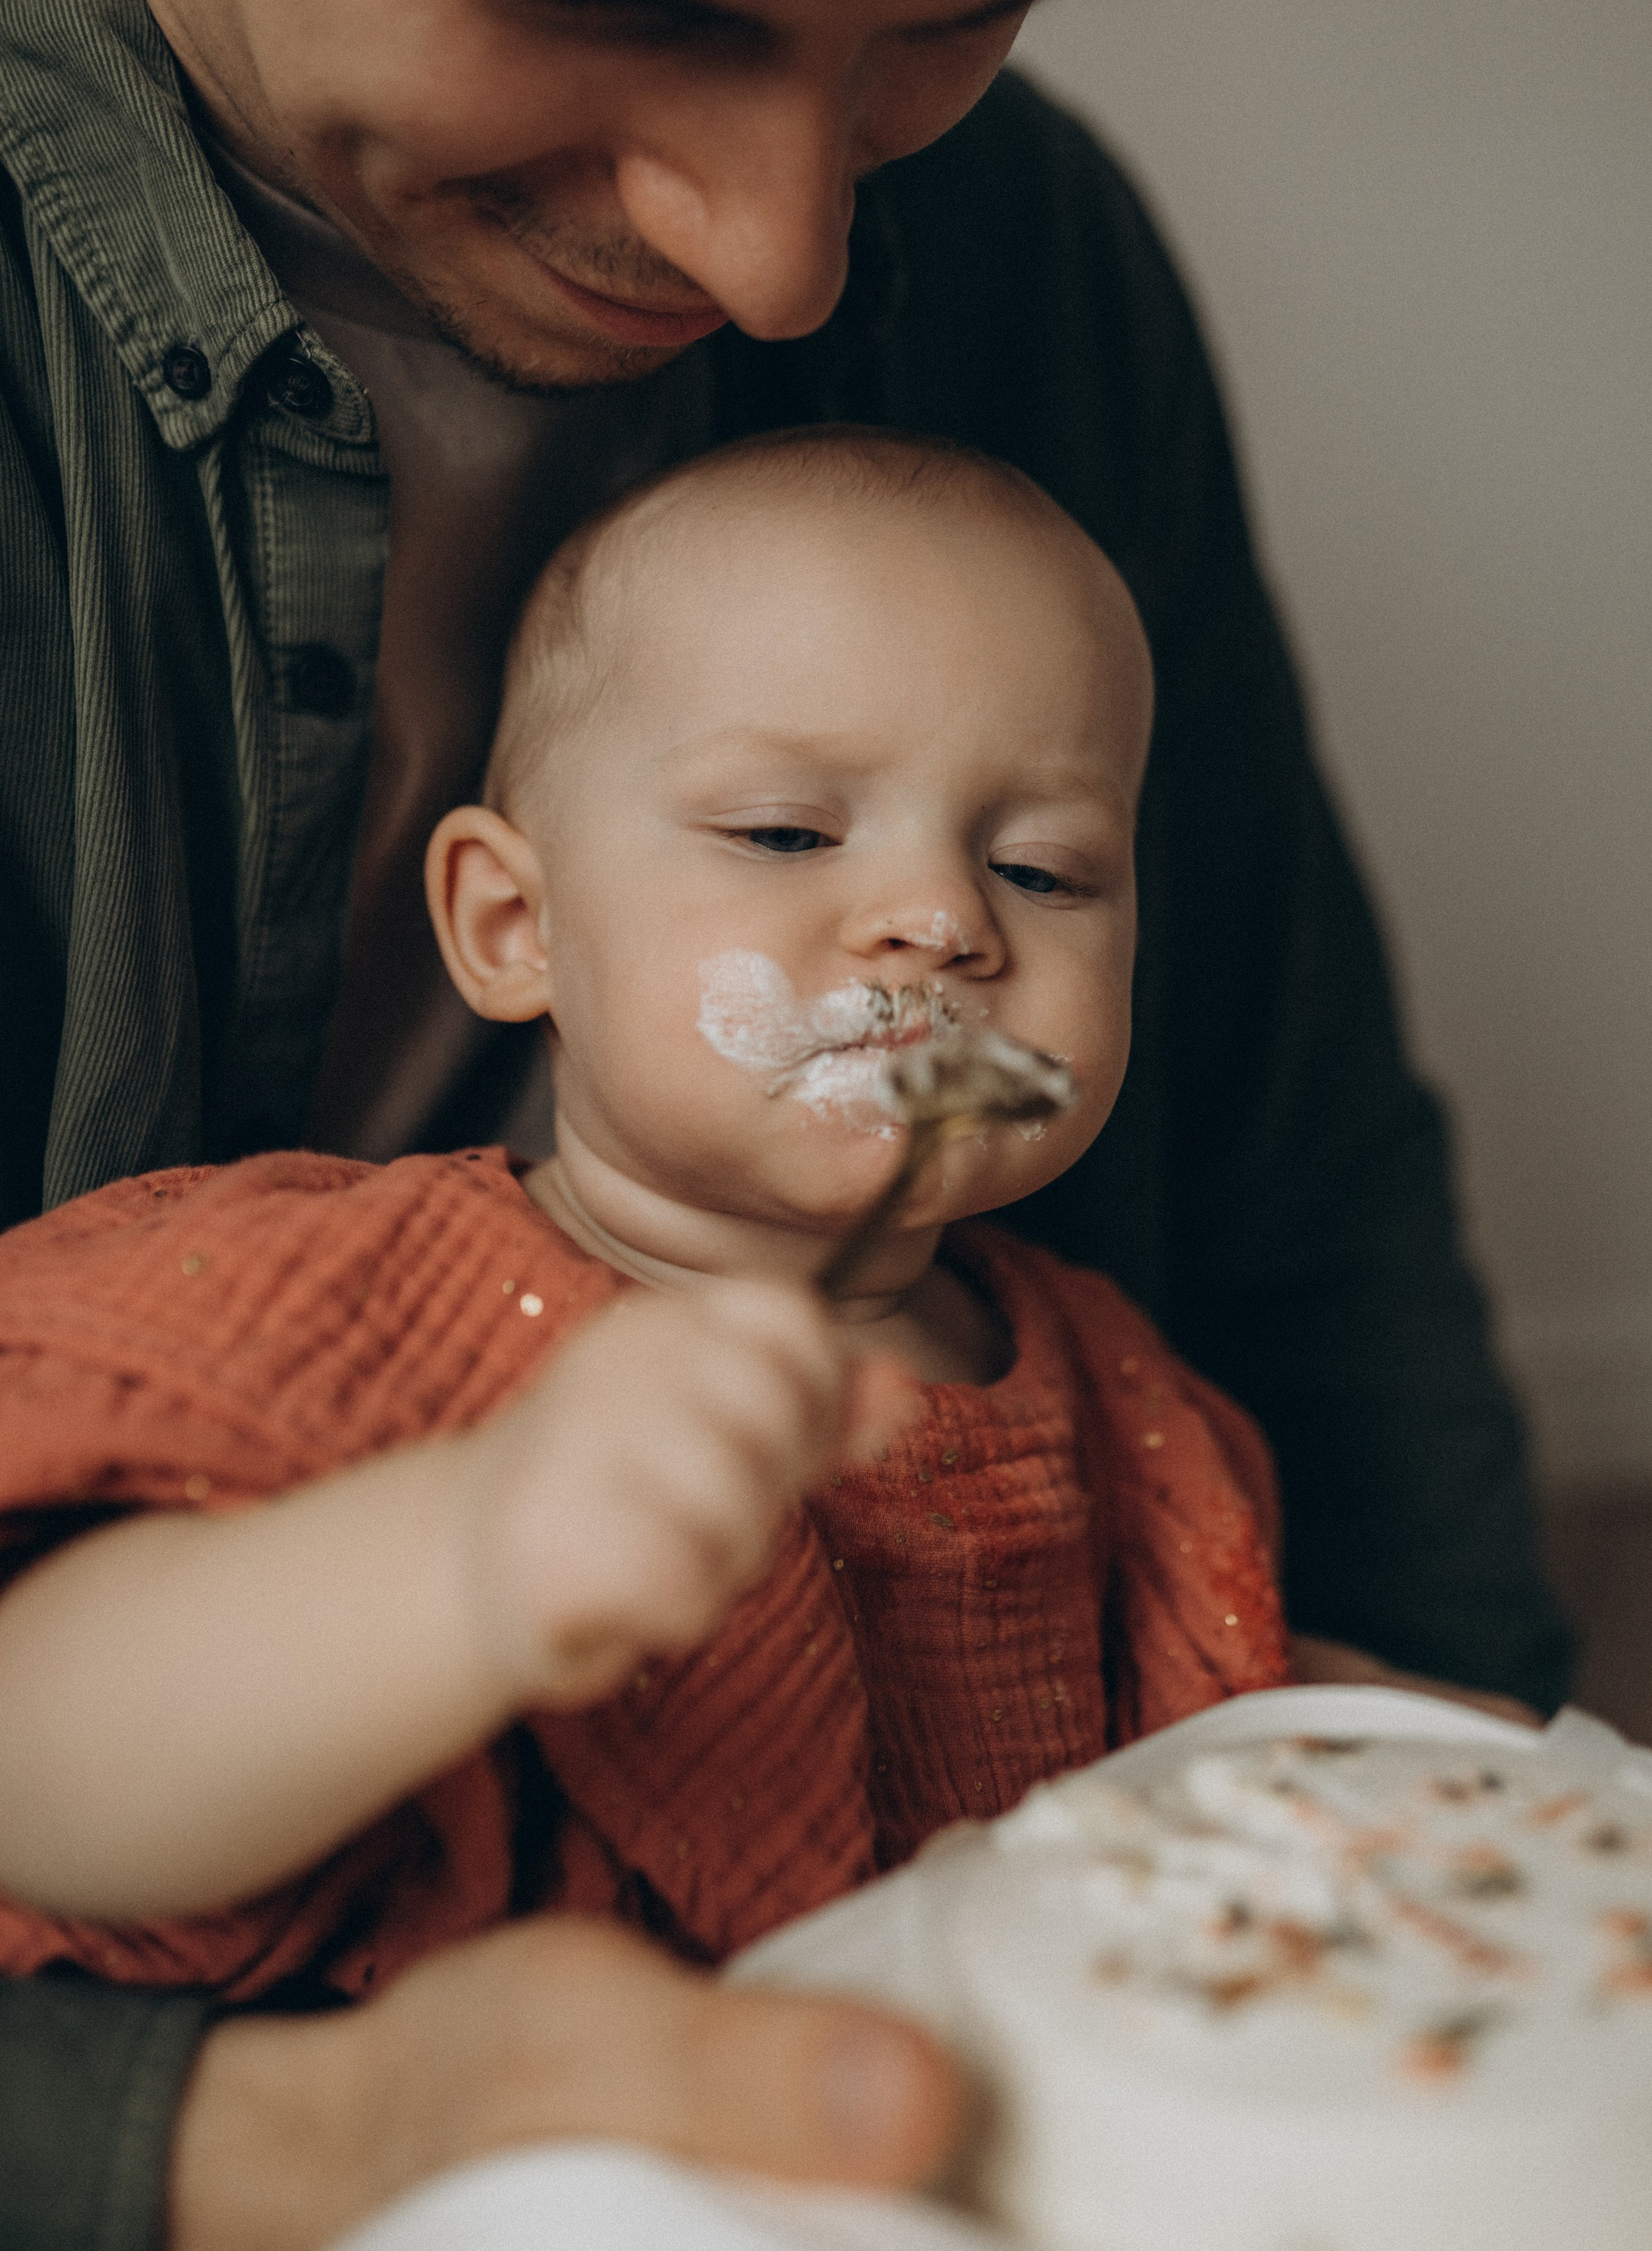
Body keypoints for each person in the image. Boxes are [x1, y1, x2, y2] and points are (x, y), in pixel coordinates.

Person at [0, 0, 1570, 2243]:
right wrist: (258, 2138)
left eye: (960, 19)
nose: (785, 262)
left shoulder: (1028, 260)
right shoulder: (297, 1313)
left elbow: (1304, 1212)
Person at [0, 431, 1293, 2002]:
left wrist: (1389, 1748)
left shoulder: (1113, 1392)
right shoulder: (341, 1303)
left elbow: (1214, 1740)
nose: (944, 922)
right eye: (786, 836)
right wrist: (466, 1562)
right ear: (514, 925)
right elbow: (33, 1773)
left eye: (1045, 868)